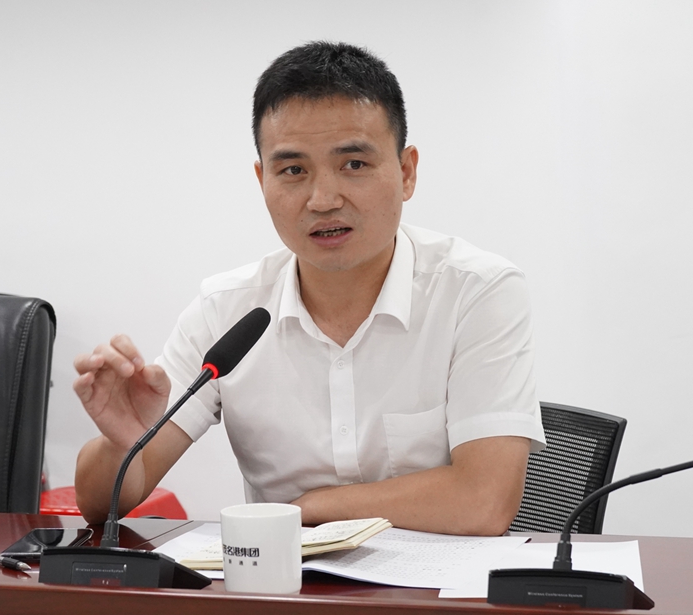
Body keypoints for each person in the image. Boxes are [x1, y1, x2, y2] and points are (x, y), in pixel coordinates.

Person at [74, 41, 545, 535]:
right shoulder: (225, 312)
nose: (322, 199)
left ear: (406, 172)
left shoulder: (477, 291)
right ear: (262, 180)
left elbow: (484, 500)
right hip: (286, 580)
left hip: (436, 583)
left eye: (354, 164)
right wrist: (121, 446)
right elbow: (101, 503)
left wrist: (312, 508)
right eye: (293, 170)